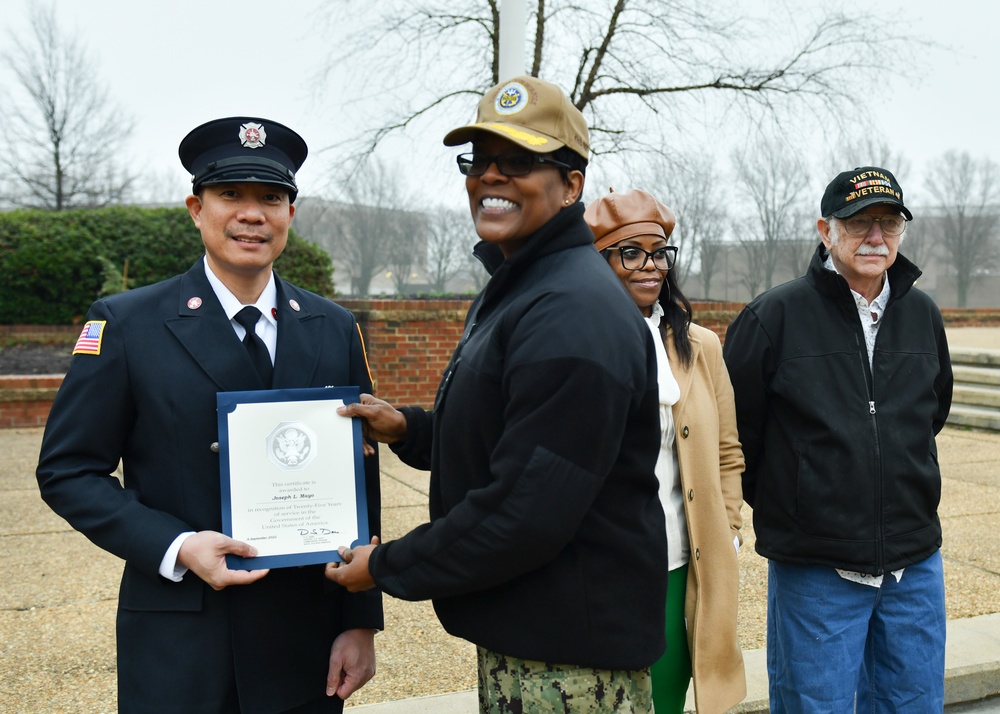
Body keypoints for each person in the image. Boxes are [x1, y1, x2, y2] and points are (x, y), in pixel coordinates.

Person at [326, 76, 668, 712]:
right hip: (537, 637)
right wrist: (409, 429)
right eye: (479, 162)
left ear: (572, 184)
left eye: (518, 163)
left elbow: (525, 510)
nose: (491, 177)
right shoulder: (524, 284)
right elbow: (512, 434)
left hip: (568, 665)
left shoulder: (570, 310)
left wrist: (388, 565)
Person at [36, 116, 383, 714]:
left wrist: (360, 622)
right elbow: (68, 470)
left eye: (271, 198)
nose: (252, 214)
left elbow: (360, 477)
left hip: (302, 639)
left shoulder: (332, 326)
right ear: (197, 208)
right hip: (181, 642)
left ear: (290, 215)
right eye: (231, 196)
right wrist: (176, 545)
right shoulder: (127, 325)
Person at [723, 166, 953, 712]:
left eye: (889, 223)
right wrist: (800, 502)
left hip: (913, 564)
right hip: (817, 568)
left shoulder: (922, 315)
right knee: (813, 705)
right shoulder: (772, 317)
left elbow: (931, 415)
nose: (876, 237)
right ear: (826, 230)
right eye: (860, 223)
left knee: (913, 704)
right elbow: (738, 435)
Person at [584, 189, 746, 713]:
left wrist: (728, 529)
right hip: (607, 570)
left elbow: (726, 451)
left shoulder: (701, 346)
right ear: (600, 259)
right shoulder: (577, 339)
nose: (649, 266)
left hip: (680, 562)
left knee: (669, 700)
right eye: (630, 252)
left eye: (658, 252)